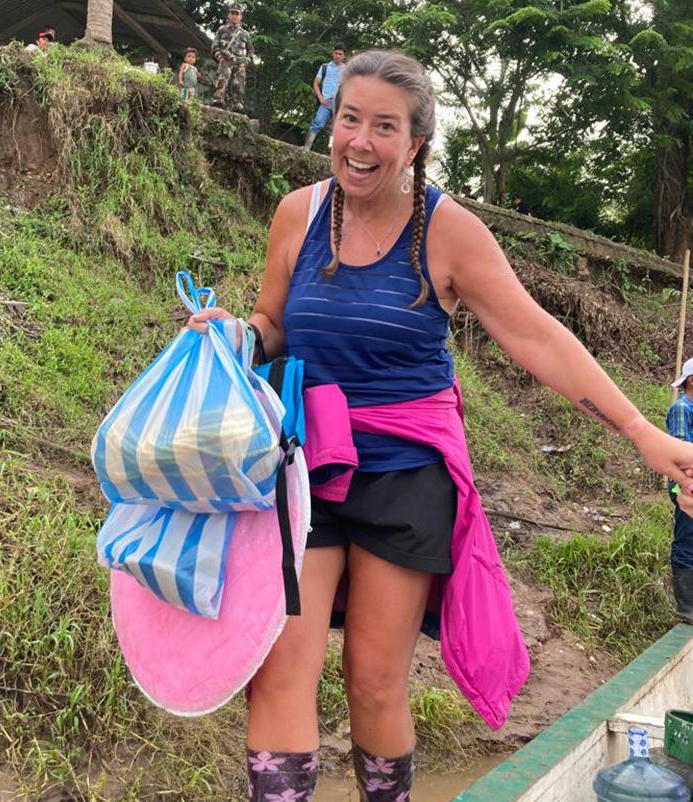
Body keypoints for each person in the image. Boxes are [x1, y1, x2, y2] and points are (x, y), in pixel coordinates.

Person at [187, 50, 693, 801]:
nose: (360, 141)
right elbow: (273, 323)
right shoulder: (297, 214)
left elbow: (538, 338)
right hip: (307, 468)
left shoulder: (449, 232)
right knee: (279, 668)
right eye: (350, 118)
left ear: (415, 144)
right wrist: (238, 336)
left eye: (383, 127)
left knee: (375, 683)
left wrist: (639, 430)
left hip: (405, 477)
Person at [667, 358, 693, 623]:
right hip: (685, 485)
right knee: (686, 541)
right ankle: (686, 608)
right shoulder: (682, 408)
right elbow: (682, 451)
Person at [303, 43, 347, 151]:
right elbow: (315, 83)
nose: (337, 56)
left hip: (339, 103)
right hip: (326, 101)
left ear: (343, 56)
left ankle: (333, 154)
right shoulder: (325, 67)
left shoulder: (347, 70)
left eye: (340, 54)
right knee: (317, 123)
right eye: (336, 53)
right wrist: (320, 98)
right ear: (333, 54)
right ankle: (306, 148)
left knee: (336, 128)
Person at [211, 5, 254, 113]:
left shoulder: (245, 34)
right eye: (232, 13)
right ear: (229, 15)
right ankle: (218, 100)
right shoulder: (222, 30)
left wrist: (247, 60)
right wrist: (220, 57)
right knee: (222, 79)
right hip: (226, 59)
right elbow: (214, 47)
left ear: (241, 16)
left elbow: (251, 50)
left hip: (240, 62)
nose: (234, 16)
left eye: (237, 13)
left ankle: (237, 103)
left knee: (239, 83)